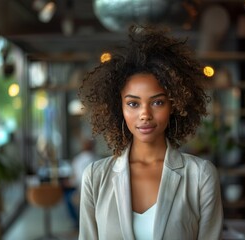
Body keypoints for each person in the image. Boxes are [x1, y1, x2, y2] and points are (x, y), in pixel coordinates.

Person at [77, 25, 223, 240]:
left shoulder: (200, 176)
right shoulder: (95, 177)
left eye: (157, 102)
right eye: (133, 104)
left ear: (174, 105)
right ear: (120, 109)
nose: (145, 114)